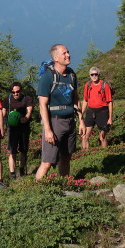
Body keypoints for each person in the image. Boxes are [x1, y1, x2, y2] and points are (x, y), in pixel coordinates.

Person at [36, 44, 85, 181]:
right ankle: (35, 191)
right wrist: (48, 129)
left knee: (66, 157)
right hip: (54, 121)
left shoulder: (71, 74)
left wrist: (81, 120)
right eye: (64, 53)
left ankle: (65, 184)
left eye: (68, 52)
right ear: (55, 57)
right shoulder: (47, 77)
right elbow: (42, 105)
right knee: (47, 162)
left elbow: (76, 99)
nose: (68, 55)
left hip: (70, 121)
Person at [4, 81, 34, 179]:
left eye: (18, 91)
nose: (16, 94)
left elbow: (29, 110)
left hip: (23, 128)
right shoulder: (7, 99)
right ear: (11, 92)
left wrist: (26, 118)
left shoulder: (27, 99)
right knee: (12, 150)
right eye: (13, 92)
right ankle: (12, 173)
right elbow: (3, 111)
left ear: (21, 90)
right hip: (12, 128)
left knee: (23, 150)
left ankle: (21, 170)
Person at [81, 67, 113, 151]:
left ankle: (105, 154)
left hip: (102, 112)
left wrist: (110, 118)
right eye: (92, 74)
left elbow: (110, 102)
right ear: (90, 75)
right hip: (90, 111)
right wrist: (81, 114)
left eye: (96, 74)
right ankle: (85, 155)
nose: (94, 76)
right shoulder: (87, 85)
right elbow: (85, 100)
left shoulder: (105, 85)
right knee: (84, 136)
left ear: (99, 75)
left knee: (102, 137)